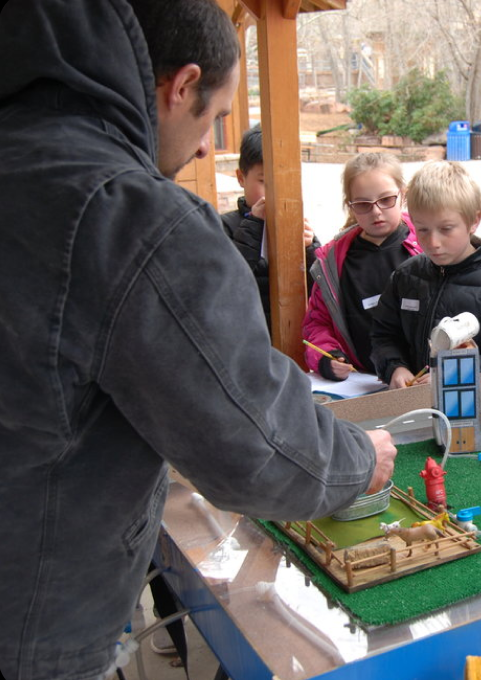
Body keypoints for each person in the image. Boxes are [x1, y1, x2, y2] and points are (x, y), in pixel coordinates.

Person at [0, 1, 397, 676]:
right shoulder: (133, 213)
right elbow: (256, 445)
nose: (212, 145)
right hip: (35, 615)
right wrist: (360, 459)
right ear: (180, 86)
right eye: (214, 117)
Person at [370, 161, 481, 389]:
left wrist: (454, 374)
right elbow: (384, 335)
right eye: (423, 229)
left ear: (474, 221)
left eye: (446, 229)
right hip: (411, 400)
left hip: (473, 406)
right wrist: (395, 367)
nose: (433, 242)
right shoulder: (405, 276)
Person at [303, 152, 421, 379]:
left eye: (386, 200)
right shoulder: (332, 261)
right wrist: (327, 357)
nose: (376, 211)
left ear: (403, 195)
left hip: (425, 378)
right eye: (363, 204)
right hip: (362, 382)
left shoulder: (430, 243)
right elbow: (317, 323)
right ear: (350, 206)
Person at [221, 124, 319, 333]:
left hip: (292, 337)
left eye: (285, 182)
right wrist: (254, 226)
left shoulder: (297, 226)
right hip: (244, 335)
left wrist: (310, 249)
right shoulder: (224, 227)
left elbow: (319, 287)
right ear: (241, 178)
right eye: (265, 182)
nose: (275, 193)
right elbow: (227, 285)